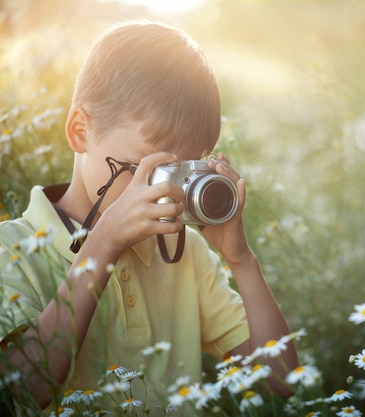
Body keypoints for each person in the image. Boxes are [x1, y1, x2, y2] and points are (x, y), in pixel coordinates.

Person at [0, 19, 297, 414]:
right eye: (144, 169)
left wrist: (240, 260)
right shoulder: (12, 250)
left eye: (181, 175)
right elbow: (18, 392)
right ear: (79, 130)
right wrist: (102, 244)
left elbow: (280, 381)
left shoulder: (184, 253)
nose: (161, 193)